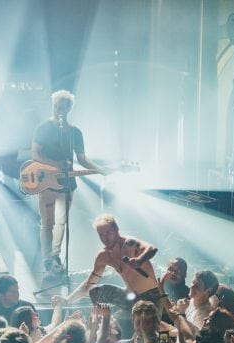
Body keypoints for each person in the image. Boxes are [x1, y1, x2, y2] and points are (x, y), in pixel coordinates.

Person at [32, 89, 103, 277]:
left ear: (69, 109)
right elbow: (36, 153)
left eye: (62, 107)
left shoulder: (75, 133)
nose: (58, 110)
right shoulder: (43, 128)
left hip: (67, 184)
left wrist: (103, 169)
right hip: (47, 181)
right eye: (55, 106)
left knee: (61, 222)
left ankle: (55, 257)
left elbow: (82, 158)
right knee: (48, 222)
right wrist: (54, 164)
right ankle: (47, 258)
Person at [60, 214, 161, 311]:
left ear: (116, 230)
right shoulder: (103, 256)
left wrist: (140, 260)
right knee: (95, 292)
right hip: (129, 297)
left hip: (150, 296)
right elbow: (89, 284)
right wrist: (67, 300)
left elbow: (152, 249)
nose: (105, 238)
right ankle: (102, 321)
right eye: (101, 234)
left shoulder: (130, 243)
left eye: (108, 232)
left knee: (147, 324)